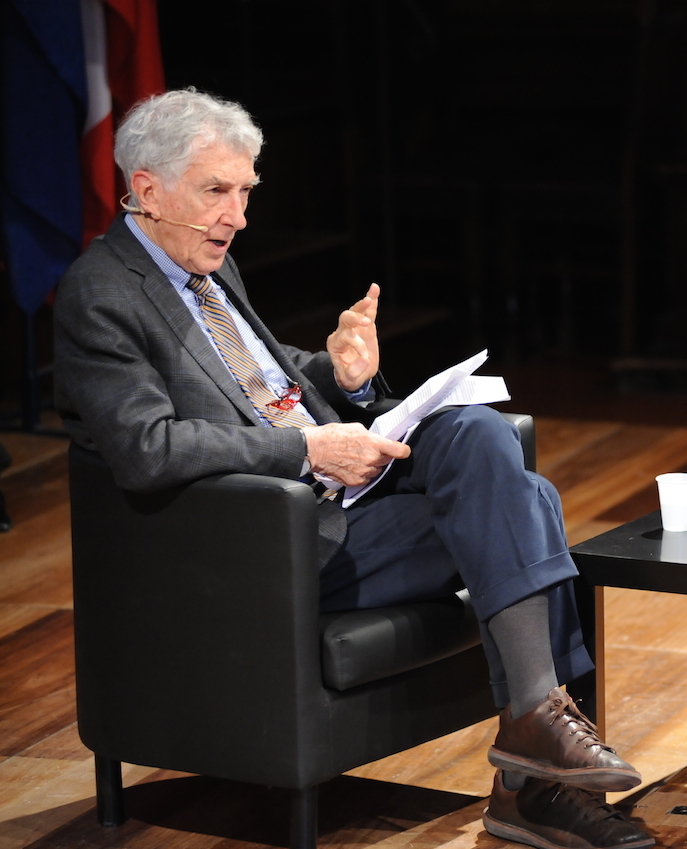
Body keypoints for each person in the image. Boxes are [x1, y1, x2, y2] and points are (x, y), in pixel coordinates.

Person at [53, 89, 653, 849]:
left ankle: (535, 731)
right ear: (146, 189)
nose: (237, 216)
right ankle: (532, 777)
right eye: (216, 192)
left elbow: (248, 379)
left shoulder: (205, 262)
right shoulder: (100, 293)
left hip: (341, 494)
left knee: (475, 430)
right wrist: (308, 449)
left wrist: (341, 375)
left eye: (245, 192)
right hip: (265, 539)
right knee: (526, 501)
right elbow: (147, 446)